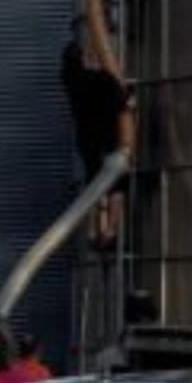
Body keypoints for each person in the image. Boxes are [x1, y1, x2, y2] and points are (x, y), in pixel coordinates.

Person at [62, 32, 135, 250]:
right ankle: (111, 229)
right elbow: (120, 99)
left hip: (86, 140)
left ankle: (94, 229)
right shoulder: (100, 80)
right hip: (109, 137)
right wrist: (129, 100)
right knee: (117, 184)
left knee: (93, 182)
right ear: (84, 59)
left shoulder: (70, 81)